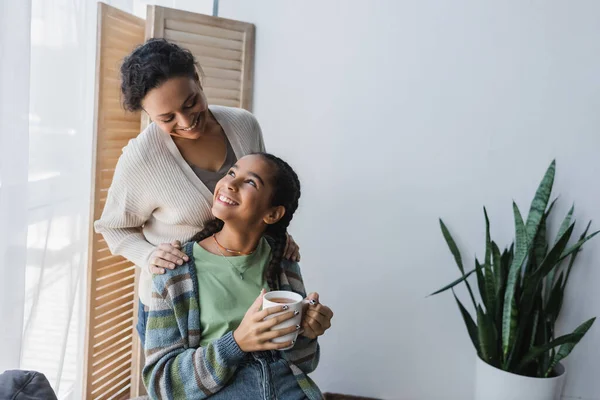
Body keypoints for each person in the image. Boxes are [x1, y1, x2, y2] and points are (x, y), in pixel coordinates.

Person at [94, 39, 300, 345]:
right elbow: (112, 228)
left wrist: (278, 233)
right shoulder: (143, 158)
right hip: (176, 304)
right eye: (167, 118)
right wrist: (150, 254)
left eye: (191, 102)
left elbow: (268, 192)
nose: (187, 121)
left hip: (239, 292)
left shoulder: (243, 125)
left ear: (199, 82)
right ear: (149, 115)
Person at [143, 153, 333, 400]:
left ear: (273, 214)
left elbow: (305, 363)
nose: (230, 183)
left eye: (250, 182)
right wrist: (236, 344)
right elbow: (161, 382)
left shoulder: (284, 262)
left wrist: (308, 333)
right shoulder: (175, 270)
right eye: (232, 173)